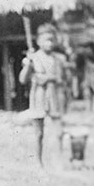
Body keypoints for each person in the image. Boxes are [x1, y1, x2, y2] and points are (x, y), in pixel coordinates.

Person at [19, 23, 68, 168]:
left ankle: (58, 161)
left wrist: (52, 79)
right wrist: (28, 64)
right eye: (46, 40)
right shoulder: (32, 59)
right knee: (39, 133)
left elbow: (63, 79)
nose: (49, 43)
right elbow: (22, 80)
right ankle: (38, 162)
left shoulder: (58, 59)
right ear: (38, 41)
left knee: (58, 131)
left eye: (52, 40)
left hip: (54, 96)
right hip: (38, 97)